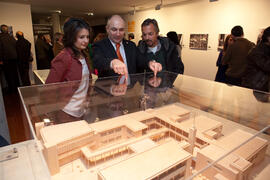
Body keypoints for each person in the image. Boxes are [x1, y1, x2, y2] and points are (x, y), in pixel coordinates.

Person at [93, 15, 161, 79]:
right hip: (109, 89)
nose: (118, 34)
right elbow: (97, 61)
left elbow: (141, 60)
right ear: (107, 29)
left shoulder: (131, 45)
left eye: (121, 30)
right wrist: (112, 62)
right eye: (114, 30)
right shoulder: (99, 45)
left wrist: (150, 63)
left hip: (130, 89)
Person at [46, 18, 92, 83]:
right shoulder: (64, 57)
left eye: (87, 37)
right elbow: (49, 86)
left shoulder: (84, 55)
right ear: (71, 37)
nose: (86, 41)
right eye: (81, 37)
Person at [242, 26, 270, 92]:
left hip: (260, 87)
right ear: (268, 38)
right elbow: (267, 67)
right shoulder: (257, 51)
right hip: (253, 88)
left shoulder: (265, 50)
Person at [0, 24, 20, 93]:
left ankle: (12, 89)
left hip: (6, 59)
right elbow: (16, 47)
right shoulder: (11, 37)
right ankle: (17, 88)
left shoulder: (0, 38)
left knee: (8, 75)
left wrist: (1, 60)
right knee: (15, 74)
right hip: (14, 58)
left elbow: (0, 50)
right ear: (7, 30)